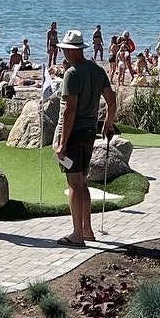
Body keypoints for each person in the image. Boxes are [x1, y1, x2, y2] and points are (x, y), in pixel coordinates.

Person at [53, 29, 116, 248]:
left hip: (73, 133)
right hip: (89, 132)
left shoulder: (72, 73)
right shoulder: (97, 71)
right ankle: (87, 229)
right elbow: (111, 100)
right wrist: (107, 125)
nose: (63, 53)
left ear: (72, 50)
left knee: (74, 184)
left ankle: (77, 234)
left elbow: (69, 110)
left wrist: (62, 142)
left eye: (65, 50)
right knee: (83, 182)